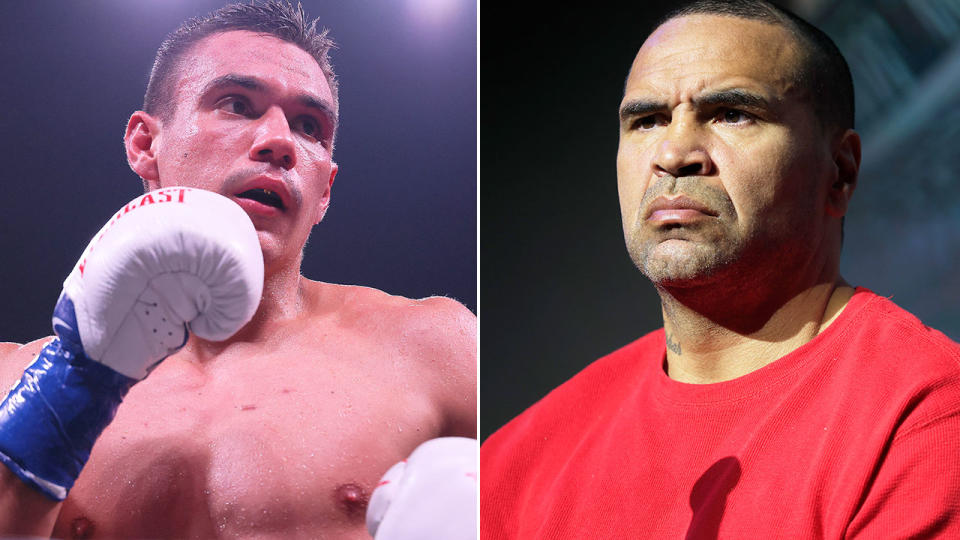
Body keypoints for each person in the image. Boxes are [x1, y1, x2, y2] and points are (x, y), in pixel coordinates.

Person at [481, 0, 960, 538]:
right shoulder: (511, 465)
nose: (674, 152)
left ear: (840, 172)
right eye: (646, 121)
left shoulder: (925, 416)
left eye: (732, 113)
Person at [0, 1, 477, 538]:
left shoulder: (435, 349)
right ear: (144, 143)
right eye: (237, 104)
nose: (280, 143)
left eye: (309, 126)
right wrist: (71, 386)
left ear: (325, 193)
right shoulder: (12, 382)